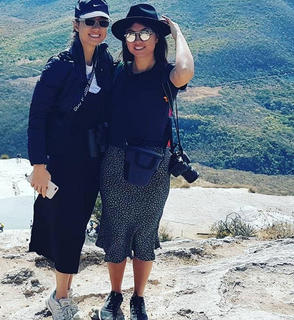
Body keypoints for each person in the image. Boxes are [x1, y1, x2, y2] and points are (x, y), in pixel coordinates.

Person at [96, 4, 194, 320]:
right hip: (115, 162)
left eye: (145, 32)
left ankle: (138, 297)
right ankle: (114, 296)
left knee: (145, 233)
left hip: (154, 164)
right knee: (117, 230)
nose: (137, 39)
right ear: (125, 39)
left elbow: (186, 71)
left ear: (156, 38)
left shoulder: (166, 74)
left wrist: (177, 31)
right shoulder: (118, 73)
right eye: (131, 33)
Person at [27, 1, 113, 319]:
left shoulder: (106, 64)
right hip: (62, 163)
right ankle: (60, 298)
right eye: (89, 21)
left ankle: (62, 293)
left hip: (92, 161)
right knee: (66, 229)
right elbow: (37, 117)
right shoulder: (60, 66)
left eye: (102, 21)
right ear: (75, 25)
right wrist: (39, 164)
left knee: (75, 229)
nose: (96, 27)